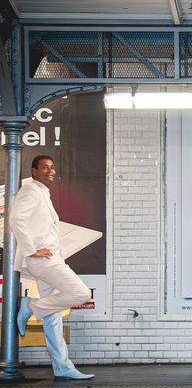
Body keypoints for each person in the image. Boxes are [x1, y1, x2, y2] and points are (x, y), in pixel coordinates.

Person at [11, 155, 94, 381]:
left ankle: (62, 367)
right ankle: (30, 305)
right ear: (34, 171)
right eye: (44, 167)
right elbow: (16, 220)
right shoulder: (29, 191)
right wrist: (31, 250)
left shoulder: (43, 192)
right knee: (81, 293)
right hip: (43, 260)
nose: (50, 171)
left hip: (51, 258)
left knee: (53, 316)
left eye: (52, 167)